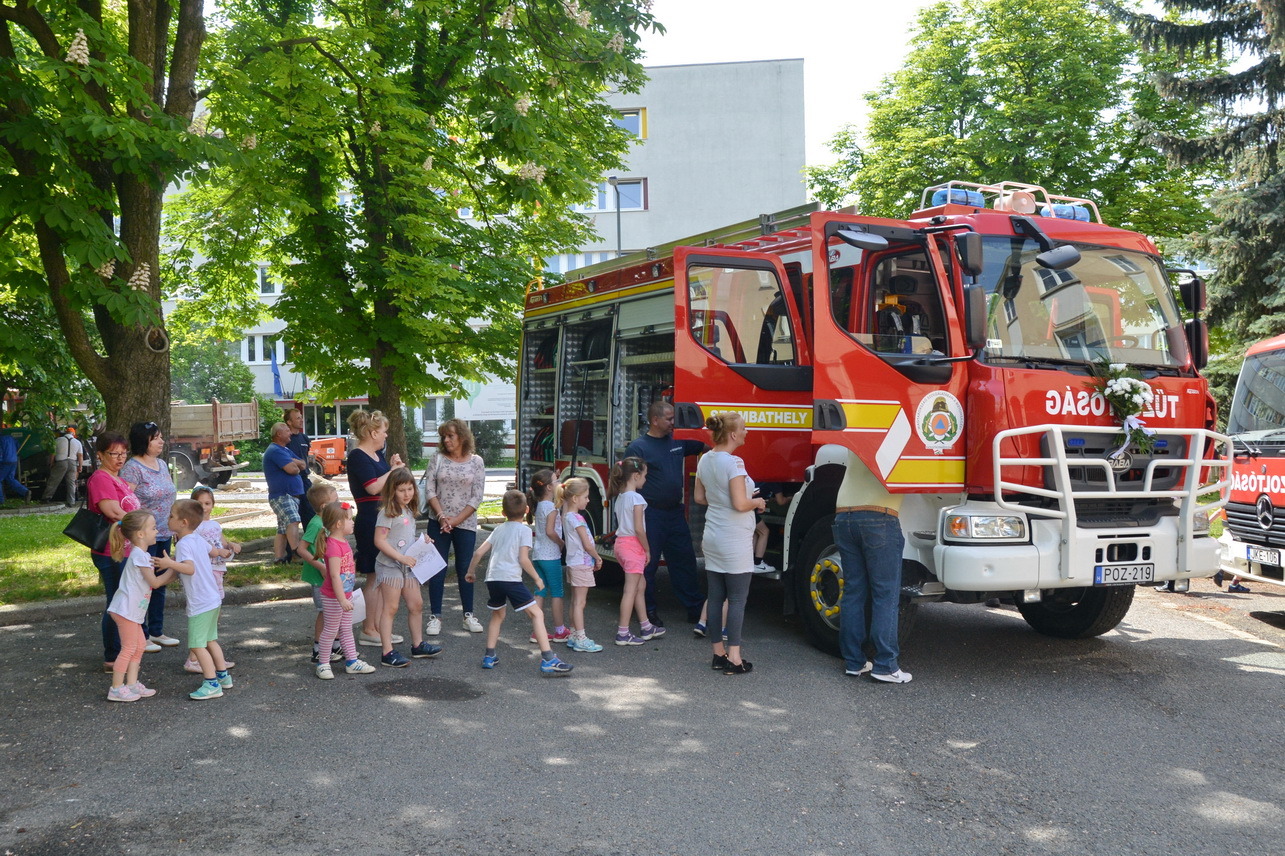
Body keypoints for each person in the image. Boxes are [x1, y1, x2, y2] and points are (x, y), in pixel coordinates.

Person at [464, 490, 573, 676]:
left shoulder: (498, 530)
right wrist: (537, 579)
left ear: (503, 513)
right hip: (511, 580)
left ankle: (489, 656)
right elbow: (523, 559)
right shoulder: (523, 531)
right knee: (537, 614)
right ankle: (548, 659)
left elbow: (478, 553)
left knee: (498, 615)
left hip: (493, 578)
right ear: (527, 510)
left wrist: (471, 571)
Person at [694, 412, 765, 675]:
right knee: (736, 599)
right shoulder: (734, 463)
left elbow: (700, 498)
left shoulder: (705, 460)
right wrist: (756, 502)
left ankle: (717, 654)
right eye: (744, 429)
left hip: (713, 534)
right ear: (733, 434)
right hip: (734, 538)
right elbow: (740, 504)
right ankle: (734, 658)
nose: (747, 432)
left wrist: (722, 498)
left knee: (715, 596)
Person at [832, 449, 912, 684]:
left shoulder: (862, 432)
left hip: (843, 514)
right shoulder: (901, 435)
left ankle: (854, 662)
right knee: (885, 595)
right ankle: (885, 665)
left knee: (853, 591)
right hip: (879, 515)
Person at [625, 401, 708, 625]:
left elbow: (703, 447)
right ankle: (649, 612)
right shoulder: (638, 447)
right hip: (650, 515)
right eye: (669, 419)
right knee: (648, 565)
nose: (674, 423)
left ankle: (695, 609)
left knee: (685, 562)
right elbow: (627, 482)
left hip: (674, 514)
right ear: (655, 420)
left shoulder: (676, 442)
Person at [154, 499, 232, 700]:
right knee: (210, 640)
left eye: (171, 516)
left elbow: (189, 568)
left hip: (201, 602)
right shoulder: (197, 539)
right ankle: (223, 676)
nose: (168, 519)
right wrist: (159, 579)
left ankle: (211, 683)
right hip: (212, 598)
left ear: (183, 522)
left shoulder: (183, 544)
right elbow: (211, 552)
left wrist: (169, 562)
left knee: (197, 645)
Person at [104, 510, 178, 702]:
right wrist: (174, 568)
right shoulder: (139, 556)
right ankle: (116, 688)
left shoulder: (141, 555)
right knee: (129, 648)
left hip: (133, 611)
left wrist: (173, 568)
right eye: (153, 528)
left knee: (138, 647)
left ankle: (132, 684)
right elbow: (154, 582)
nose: (156, 531)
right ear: (140, 534)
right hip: (125, 611)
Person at [345, 410, 404, 647]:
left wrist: (394, 468)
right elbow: (372, 488)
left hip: (382, 516)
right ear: (372, 432)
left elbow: (386, 483)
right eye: (383, 431)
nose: (386, 435)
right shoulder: (359, 455)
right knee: (374, 576)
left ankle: (379, 628)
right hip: (370, 518)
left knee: (380, 576)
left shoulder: (376, 454)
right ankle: (369, 629)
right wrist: (392, 472)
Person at [422, 418, 486, 635]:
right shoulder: (437, 458)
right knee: (436, 568)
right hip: (437, 521)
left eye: (451, 435)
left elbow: (477, 497)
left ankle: (468, 614)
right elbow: (429, 489)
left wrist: (456, 520)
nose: (446, 440)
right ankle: (435, 616)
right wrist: (441, 517)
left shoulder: (476, 461)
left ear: (462, 436)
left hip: (465, 523)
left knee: (465, 568)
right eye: (443, 436)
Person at [373, 467, 441, 666]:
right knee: (391, 607)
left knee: (416, 604)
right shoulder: (387, 513)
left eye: (410, 489)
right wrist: (400, 558)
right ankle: (387, 652)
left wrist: (422, 540)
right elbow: (380, 541)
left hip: (409, 565)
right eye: (401, 490)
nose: (406, 494)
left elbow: (405, 537)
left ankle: (418, 645)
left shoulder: (409, 510)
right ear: (392, 490)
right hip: (390, 566)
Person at [121, 421, 179, 651]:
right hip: (144, 538)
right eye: (156, 438)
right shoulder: (132, 468)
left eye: (161, 437)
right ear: (143, 441)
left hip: (164, 533)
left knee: (160, 584)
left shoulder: (162, 464)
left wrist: (175, 529)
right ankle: (141, 634)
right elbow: (126, 503)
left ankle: (157, 631)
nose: (161, 441)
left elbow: (170, 497)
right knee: (143, 585)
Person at [87, 431, 141, 670]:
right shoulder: (101, 478)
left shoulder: (116, 477)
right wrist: (140, 523)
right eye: (114, 454)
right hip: (111, 551)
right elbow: (112, 511)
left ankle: (121, 650)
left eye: (123, 453)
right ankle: (113, 655)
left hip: (123, 548)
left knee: (122, 600)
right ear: (100, 455)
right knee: (117, 602)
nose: (120, 458)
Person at [312, 500, 378, 679]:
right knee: (331, 630)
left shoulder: (343, 542)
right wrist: (341, 599)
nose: (353, 522)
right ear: (339, 524)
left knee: (346, 629)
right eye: (350, 519)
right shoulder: (333, 545)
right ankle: (323, 663)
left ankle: (351, 661)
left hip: (345, 595)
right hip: (335, 597)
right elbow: (333, 575)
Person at [609, 457, 664, 646]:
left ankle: (646, 626)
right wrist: (648, 550)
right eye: (645, 476)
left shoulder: (621, 497)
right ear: (636, 475)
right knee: (631, 590)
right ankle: (623, 632)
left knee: (640, 586)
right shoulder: (637, 498)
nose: (646, 480)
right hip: (634, 546)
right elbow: (639, 529)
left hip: (621, 545)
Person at [185, 486, 240, 674]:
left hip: (217, 571)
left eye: (207, 503)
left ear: (213, 505)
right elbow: (203, 548)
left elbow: (222, 543)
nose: (204, 507)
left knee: (214, 613)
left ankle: (206, 656)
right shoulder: (194, 528)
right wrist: (218, 551)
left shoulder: (215, 525)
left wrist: (231, 545)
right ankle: (195, 657)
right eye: (199, 503)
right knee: (207, 614)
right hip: (205, 573)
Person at [297, 482, 342, 665]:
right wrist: (321, 566)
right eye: (336, 500)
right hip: (320, 577)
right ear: (324, 506)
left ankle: (335, 645)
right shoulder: (316, 524)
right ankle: (318, 649)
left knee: (335, 611)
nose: (339, 502)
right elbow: (301, 549)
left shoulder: (328, 522)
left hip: (330, 576)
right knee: (325, 612)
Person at [559, 477, 604, 653]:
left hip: (573, 563)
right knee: (580, 602)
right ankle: (581, 638)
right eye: (585, 497)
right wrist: (598, 557)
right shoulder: (577, 518)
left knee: (575, 601)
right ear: (575, 498)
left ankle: (573, 634)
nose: (588, 500)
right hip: (582, 564)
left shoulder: (567, 516)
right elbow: (587, 544)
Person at [527, 469, 569, 643]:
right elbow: (550, 531)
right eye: (556, 480)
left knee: (540, 591)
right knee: (557, 592)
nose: (559, 482)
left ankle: (537, 631)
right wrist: (561, 543)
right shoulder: (551, 508)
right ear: (550, 488)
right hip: (550, 556)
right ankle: (559, 630)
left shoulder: (540, 506)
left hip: (538, 555)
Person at [263, 422, 307, 565]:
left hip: (290, 495)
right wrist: (295, 465)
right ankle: (296, 552)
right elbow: (293, 470)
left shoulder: (285, 450)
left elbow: (303, 464)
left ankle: (279, 558)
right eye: (287, 431)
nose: (290, 433)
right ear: (279, 434)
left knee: (282, 528)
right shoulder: (275, 450)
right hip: (282, 495)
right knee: (294, 520)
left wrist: (294, 462)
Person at [285, 408, 315, 531]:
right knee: (292, 517)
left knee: (310, 512)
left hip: (304, 479)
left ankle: (310, 545)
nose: (301, 420)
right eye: (297, 418)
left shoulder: (304, 438)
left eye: (301, 417)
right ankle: (291, 548)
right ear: (289, 422)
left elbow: (306, 456)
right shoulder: (286, 439)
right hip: (291, 480)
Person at [41, 426, 83, 506]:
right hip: (72, 463)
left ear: (65, 433)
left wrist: (51, 462)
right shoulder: (77, 442)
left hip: (61, 462)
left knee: (54, 480)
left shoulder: (58, 440)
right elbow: (80, 456)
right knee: (71, 482)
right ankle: (71, 501)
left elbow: (53, 453)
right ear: (73, 434)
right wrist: (80, 466)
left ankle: (46, 498)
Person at [0, 430, 31, 503]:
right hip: (14, 460)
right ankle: (25, 492)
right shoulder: (10, 438)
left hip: (5, 462)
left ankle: (1, 501)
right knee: (10, 479)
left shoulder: (0, 440)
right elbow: (18, 446)